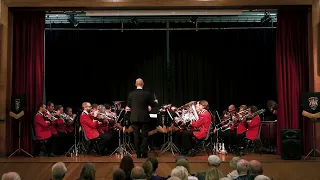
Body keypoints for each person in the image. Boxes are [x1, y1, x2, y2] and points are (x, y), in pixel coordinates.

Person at [127, 78, 157, 158]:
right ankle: (144, 154)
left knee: (136, 136)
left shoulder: (131, 94)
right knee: (145, 136)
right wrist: (155, 102)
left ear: (135, 84)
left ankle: (138, 154)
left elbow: (129, 105)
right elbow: (153, 104)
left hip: (134, 117)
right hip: (144, 117)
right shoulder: (147, 93)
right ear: (143, 84)